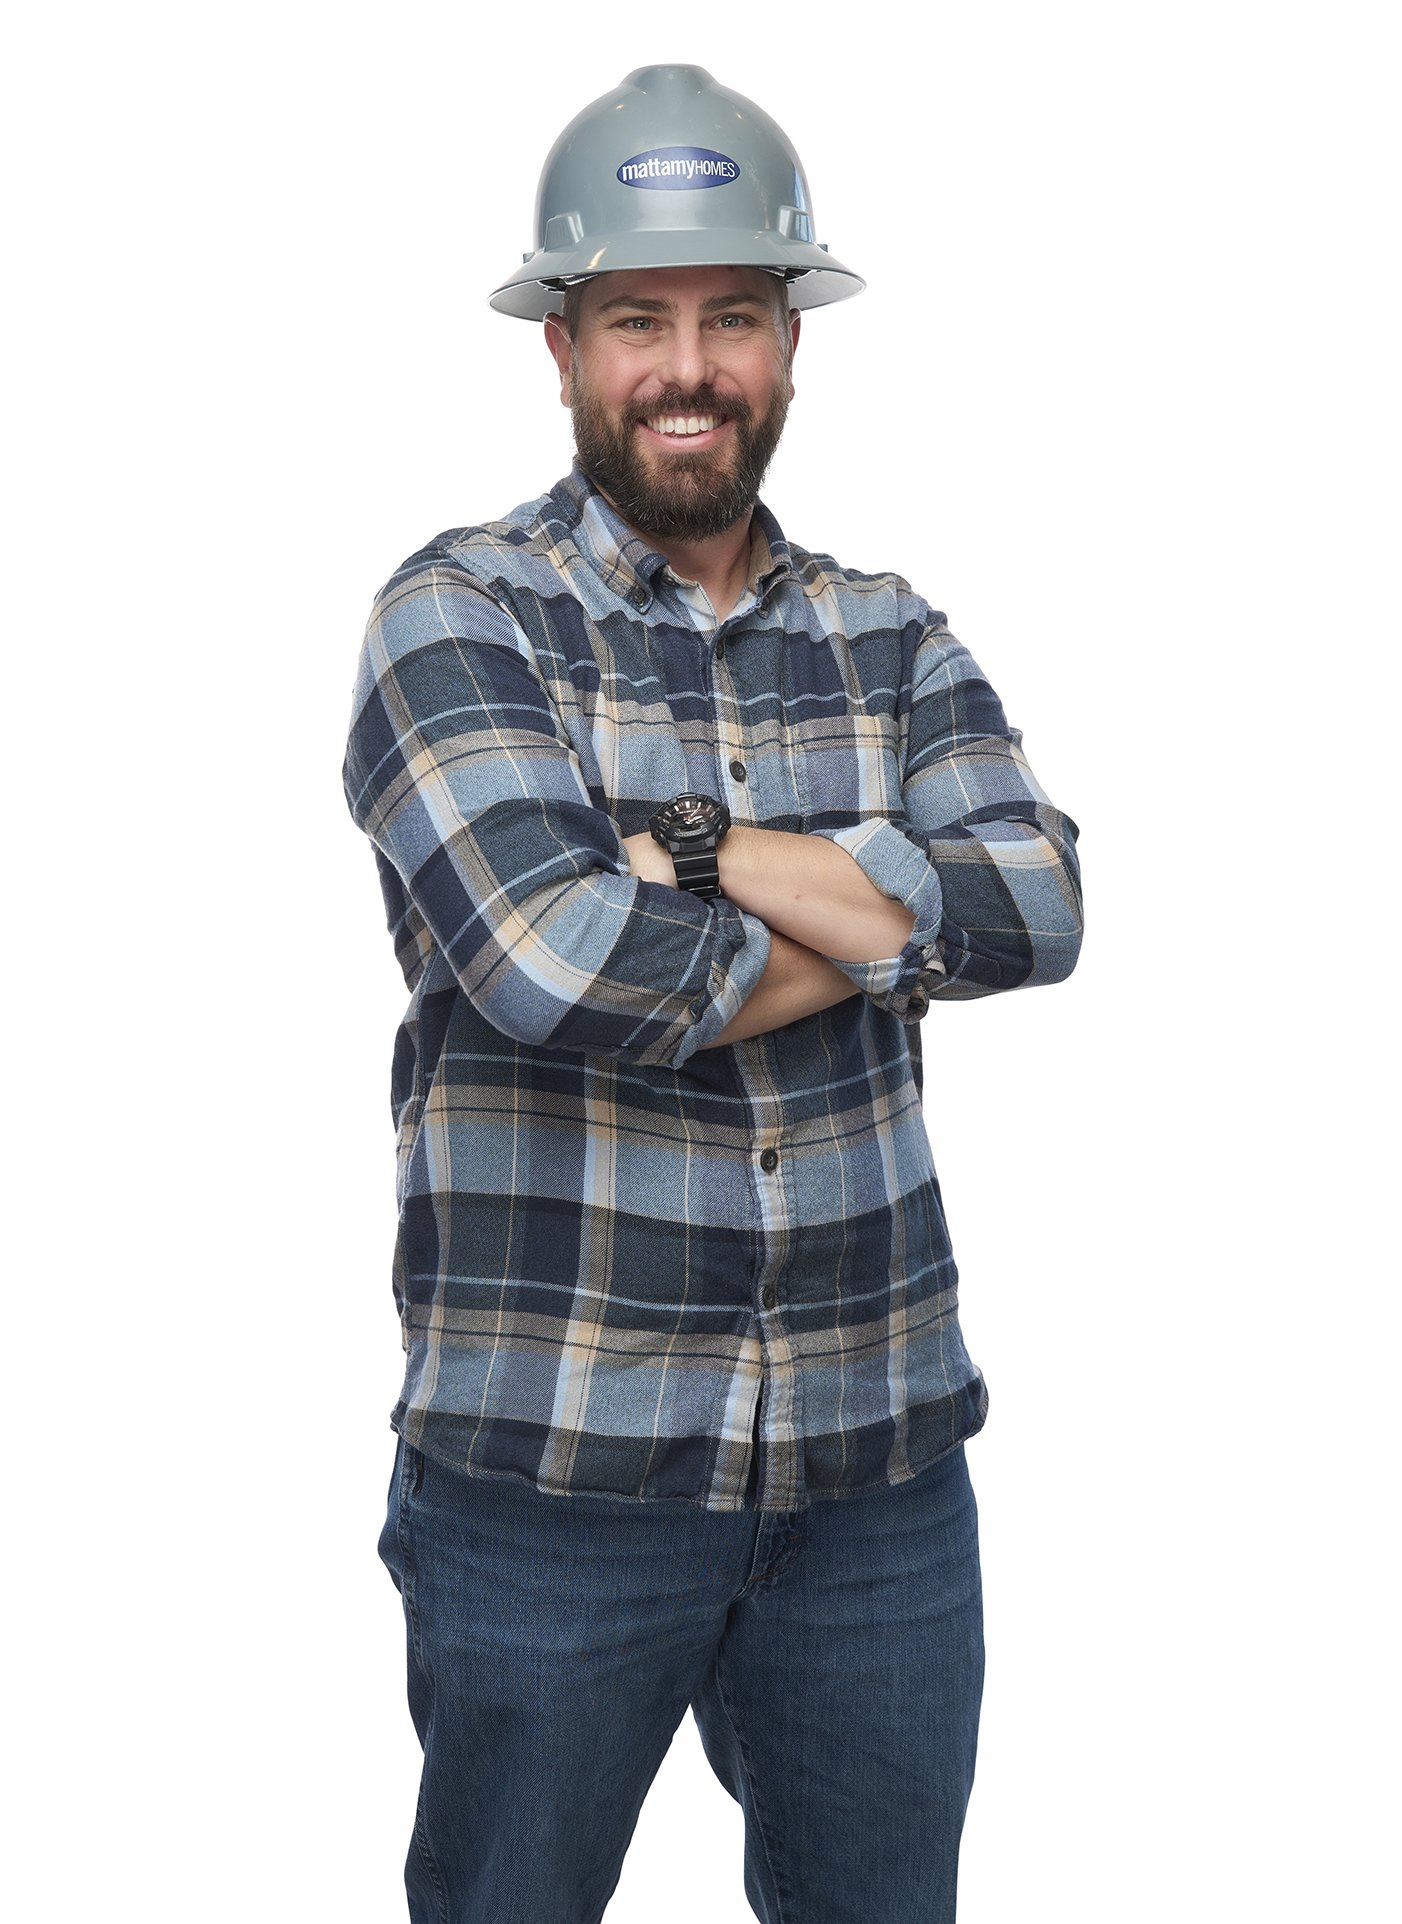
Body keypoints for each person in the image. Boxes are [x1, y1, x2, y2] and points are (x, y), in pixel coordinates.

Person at [342, 63, 1083, 1924]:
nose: (689, 367)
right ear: (565, 347)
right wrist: (878, 899)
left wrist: (678, 842)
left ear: (788, 346)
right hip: (555, 1483)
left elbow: (1040, 902)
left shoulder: (890, 630)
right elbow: (551, 968)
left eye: (733, 318)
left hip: (876, 1476)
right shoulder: (459, 620)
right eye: (638, 321)